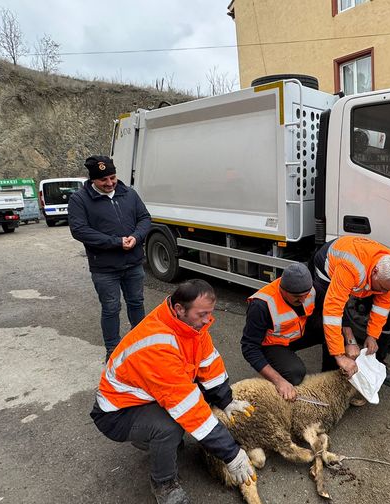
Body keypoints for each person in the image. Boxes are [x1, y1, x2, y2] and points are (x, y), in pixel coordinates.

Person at [90, 279, 256, 504]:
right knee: (169, 427)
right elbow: (188, 407)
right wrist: (232, 454)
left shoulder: (191, 327)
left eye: (210, 312)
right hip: (117, 411)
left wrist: (226, 401)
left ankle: (161, 444)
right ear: (179, 309)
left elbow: (209, 365)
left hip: (145, 395)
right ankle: (164, 484)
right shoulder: (158, 347)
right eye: (202, 314)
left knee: (194, 403)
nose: (208, 320)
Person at [68, 155, 151, 360]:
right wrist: (116, 242)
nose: (110, 183)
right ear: (92, 180)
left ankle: (140, 344)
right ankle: (113, 351)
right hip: (104, 268)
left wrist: (136, 236)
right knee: (111, 308)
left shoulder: (129, 194)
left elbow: (144, 218)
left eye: (112, 177)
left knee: (136, 303)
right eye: (103, 180)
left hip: (133, 263)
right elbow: (79, 230)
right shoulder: (79, 199)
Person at [311, 236, 390, 385]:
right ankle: (330, 376)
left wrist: (372, 336)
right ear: (375, 271)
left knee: (387, 322)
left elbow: (382, 309)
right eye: (381, 288)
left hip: (363, 276)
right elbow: (333, 312)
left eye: (386, 290)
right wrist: (341, 351)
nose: (382, 292)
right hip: (328, 268)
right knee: (329, 319)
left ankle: (378, 365)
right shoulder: (350, 267)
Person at [241, 263, 334, 401]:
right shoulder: (261, 305)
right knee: (295, 373)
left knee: (332, 329)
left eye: (305, 294)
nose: (303, 299)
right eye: (297, 296)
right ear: (282, 289)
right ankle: (274, 372)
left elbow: (335, 310)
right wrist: (279, 381)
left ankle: (328, 377)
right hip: (273, 343)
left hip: (296, 334)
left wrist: (348, 345)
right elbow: (249, 348)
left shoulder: (312, 289)